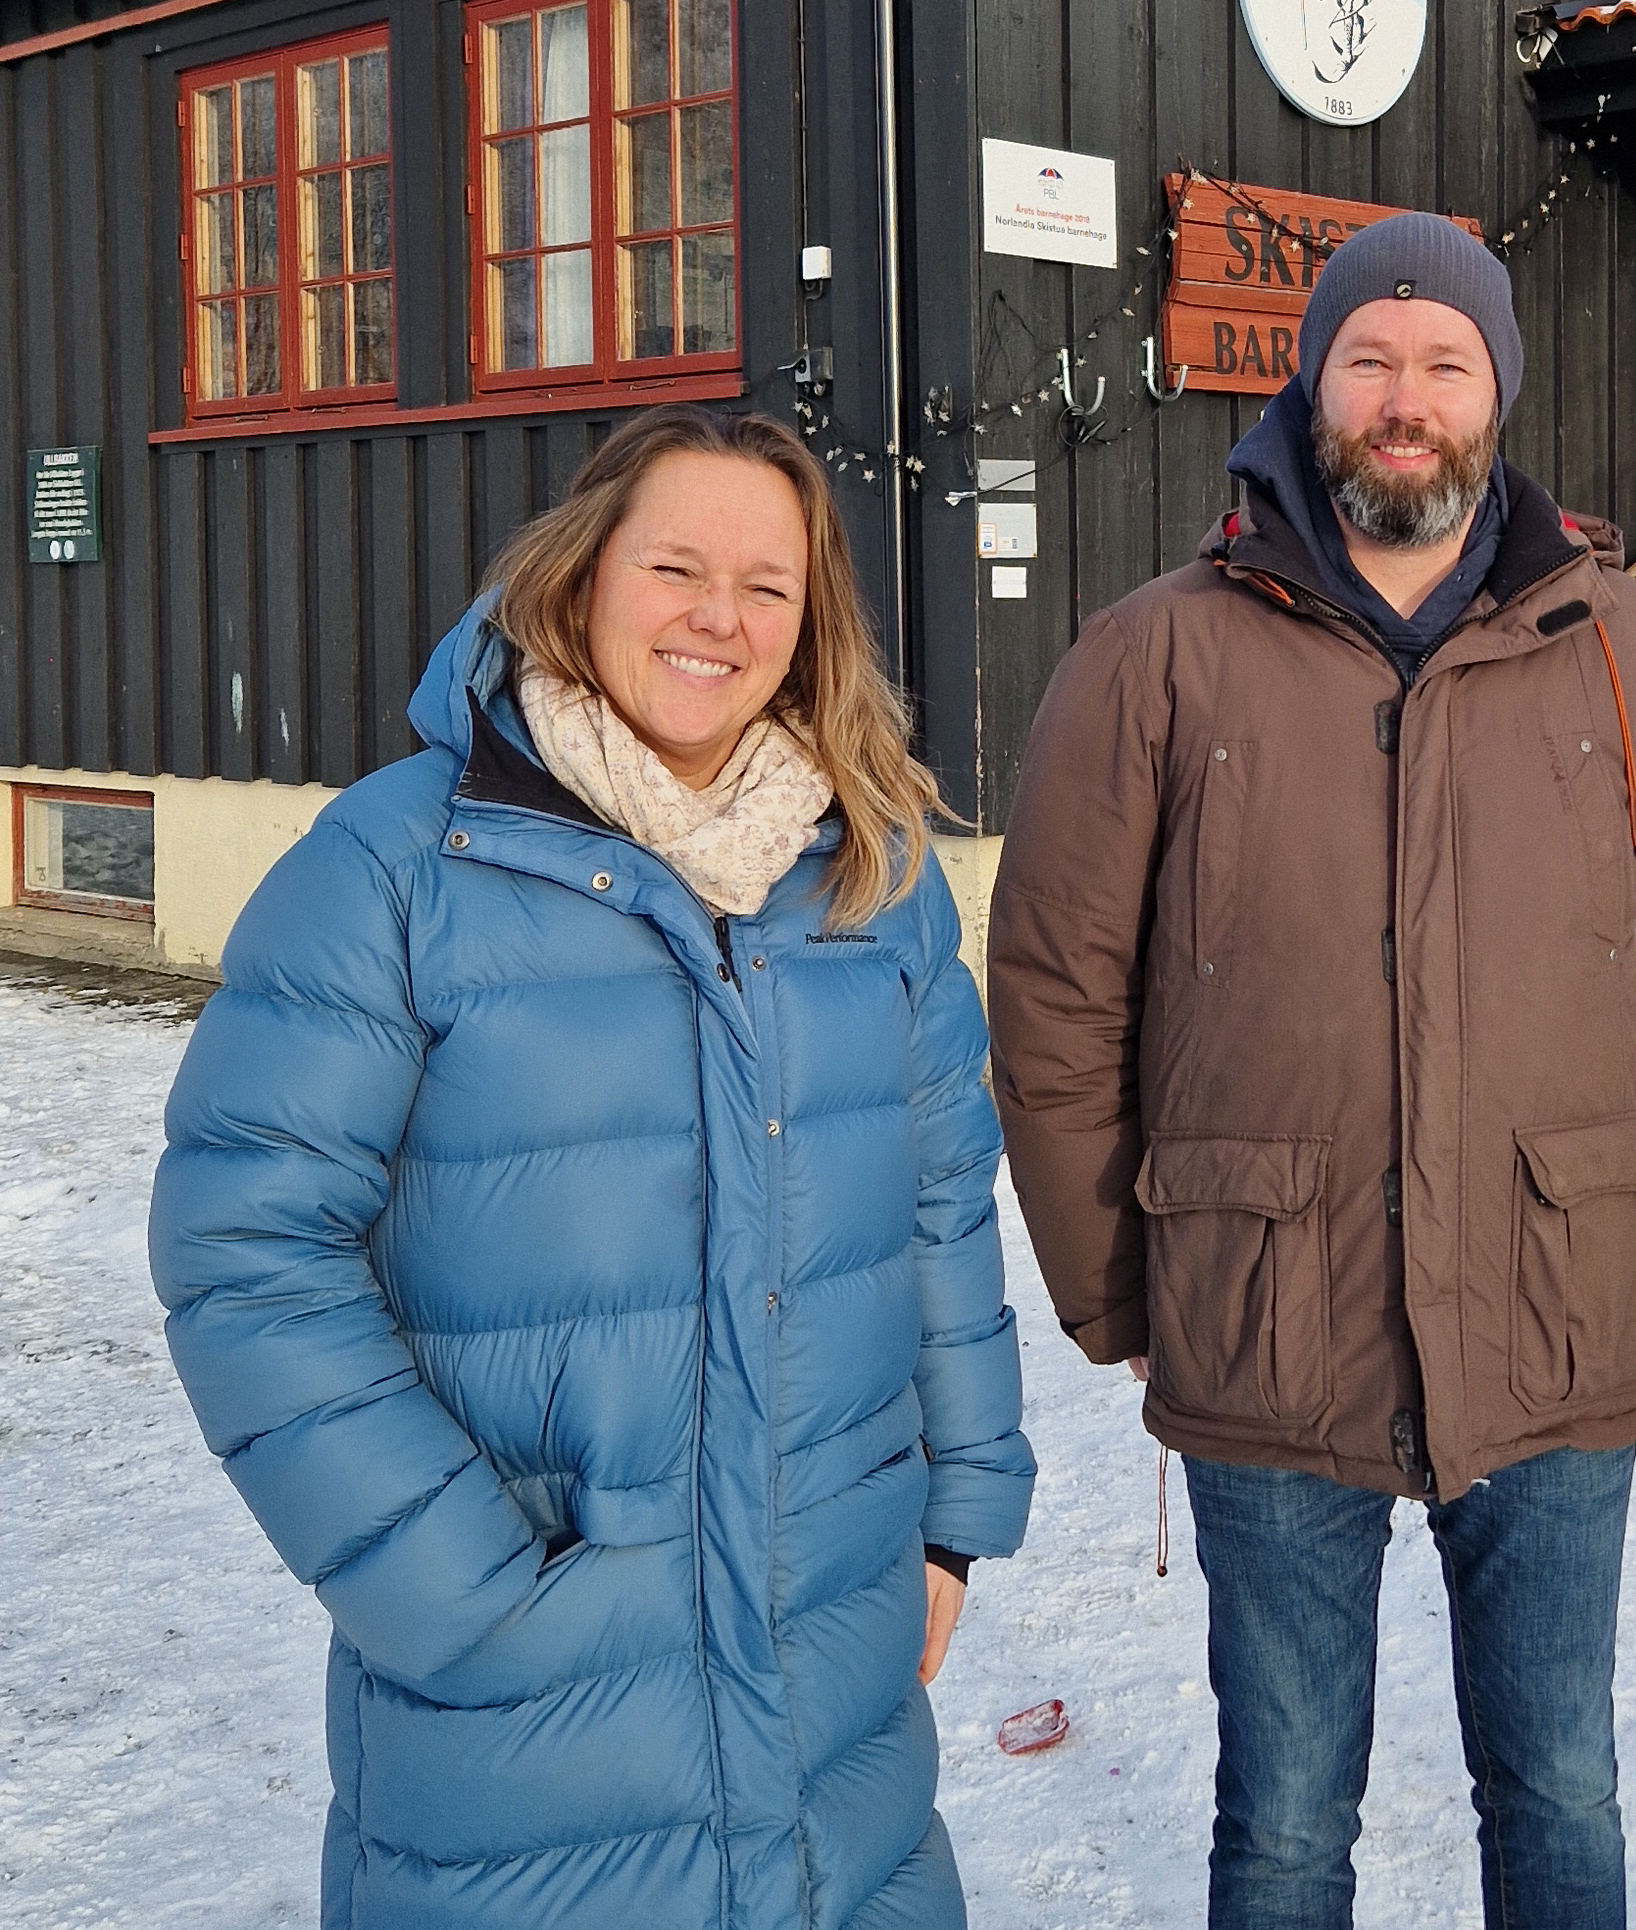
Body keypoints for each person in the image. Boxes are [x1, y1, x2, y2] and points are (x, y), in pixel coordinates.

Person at [985, 212, 1636, 1929]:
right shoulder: (1156, 652)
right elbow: (1057, 988)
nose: (1404, 400)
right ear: (1312, 383)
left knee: (1558, 1782)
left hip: (1555, 1304)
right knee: (1283, 1815)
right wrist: (1121, 1284)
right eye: (1369, 360)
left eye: (1443, 363)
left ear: (1499, 391)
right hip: (1265, 1312)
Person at [150, 405, 1033, 1929]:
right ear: (580, 572)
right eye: (676, 567)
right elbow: (246, 1243)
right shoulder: (397, 866)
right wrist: (453, 1583)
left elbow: (942, 1199)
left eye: (767, 584)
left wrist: (952, 1512)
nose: (719, 617)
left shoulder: (872, 872)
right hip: (535, 1707)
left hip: (835, 1659)